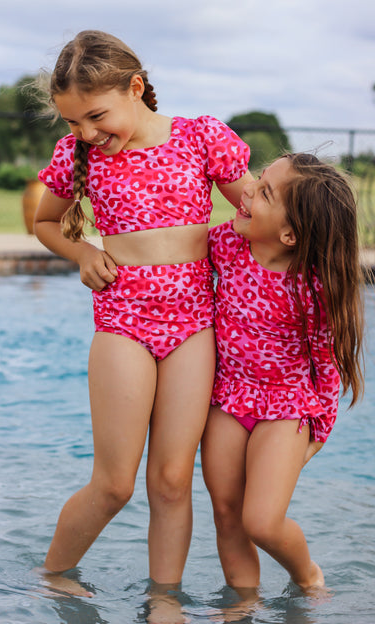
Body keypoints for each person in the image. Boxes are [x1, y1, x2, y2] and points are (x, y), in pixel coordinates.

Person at [33, 30, 252, 602]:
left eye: (96, 115)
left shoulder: (201, 138)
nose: (85, 133)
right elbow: (45, 222)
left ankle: (164, 601)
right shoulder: (77, 155)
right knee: (114, 485)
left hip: (194, 329)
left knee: (174, 481)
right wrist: (82, 251)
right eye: (74, 122)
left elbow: (259, 212)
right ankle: (51, 579)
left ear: (136, 88)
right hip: (123, 326)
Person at [201, 153, 364, 600]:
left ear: (289, 234)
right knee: (227, 512)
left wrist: (318, 433)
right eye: (258, 178)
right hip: (228, 400)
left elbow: (325, 364)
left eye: (264, 191)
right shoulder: (225, 245)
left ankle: (307, 575)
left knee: (262, 521)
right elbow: (172, 255)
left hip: (287, 406)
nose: (246, 189)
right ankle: (243, 604)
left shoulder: (313, 287)